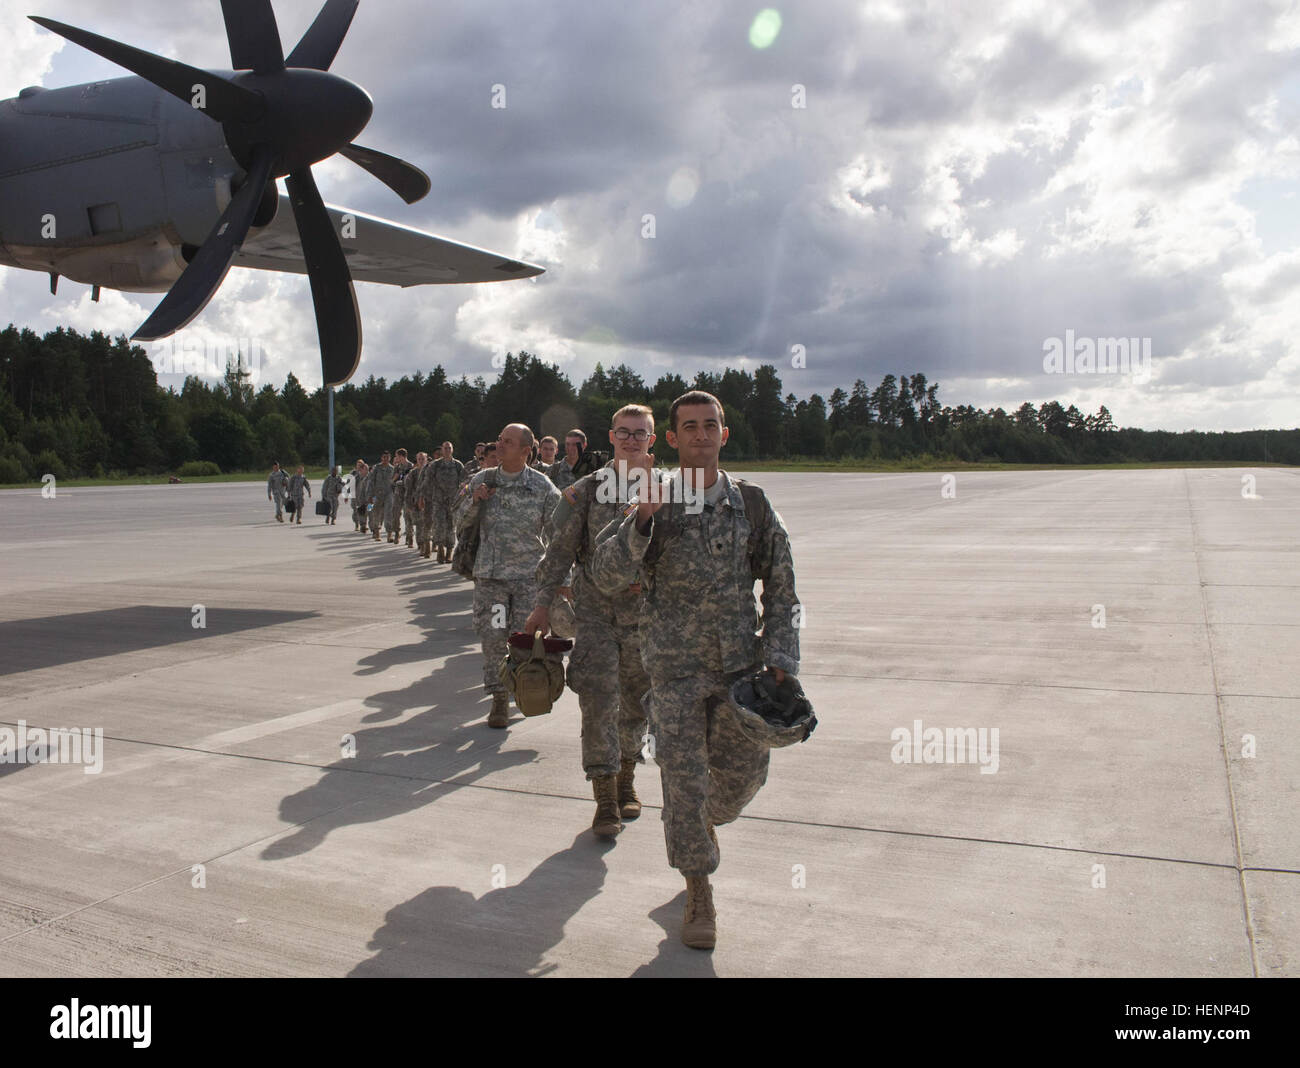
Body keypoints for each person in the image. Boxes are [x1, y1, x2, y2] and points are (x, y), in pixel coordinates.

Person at [590, 390, 800, 951]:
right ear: (674, 438)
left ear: (723, 435)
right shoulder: (652, 500)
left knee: (739, 781)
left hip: (739, 672)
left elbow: (781, 585)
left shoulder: (751, 504)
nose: (701, 435)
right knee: (684, 784)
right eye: (690, 427)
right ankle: (698, 889)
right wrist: (641, 523)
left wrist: (780, 656)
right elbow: (604, 573)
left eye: (711, 426)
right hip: (674, 673)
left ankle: (705, 827)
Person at [526, 405, 659, 839]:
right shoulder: (586, 490)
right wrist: (542, 603)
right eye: (625, 433)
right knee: (599, 701)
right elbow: (559, 551)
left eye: (641, 434)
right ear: (612, 437)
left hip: (646, 618)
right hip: (597, 612)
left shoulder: (670, 490)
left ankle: (626, 779)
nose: (632, 440)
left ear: (652, 440)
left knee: (636, 703)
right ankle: (604, 796)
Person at [455, 424, 560, 729]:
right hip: (492, 582)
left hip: (528, 581)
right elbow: (457, 521)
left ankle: (523, 689)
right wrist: (475, 501)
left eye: (508, 442)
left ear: (527, 451)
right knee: (494, 637)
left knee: (523, 641)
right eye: (499, 439)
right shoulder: (481, 480)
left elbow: (559, 537)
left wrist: (561, 581)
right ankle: (498, 698)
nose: (500, 445)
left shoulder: (542, 486)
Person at [422, 441, 465, 563]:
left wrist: (461, 498)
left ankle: (450, 550)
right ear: (442, 450)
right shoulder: (435, 465)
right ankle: (440, 548)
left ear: (452, 450)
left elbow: (463, 484)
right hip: (438, 501)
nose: (447, 450)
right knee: (439, 525)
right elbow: (427, 481)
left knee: (451, 526)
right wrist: (423, 497)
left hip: (453, 502)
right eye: (445, 448)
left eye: (449, 448)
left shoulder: (458, 465)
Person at [404, 452, 427, 548]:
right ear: (417, 460)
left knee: (429, 524)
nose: (421, 461)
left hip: (430, 502)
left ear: (426, 460)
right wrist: (409, 504)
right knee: (420, 524)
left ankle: (429, 544)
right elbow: (408, 490)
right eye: (419, 459)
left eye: (423, 459)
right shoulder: (413, 473)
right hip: (417, 502)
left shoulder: (431, 471)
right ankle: (421, 544)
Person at [368, 451, 393, 541]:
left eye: (387, 457)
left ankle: (389, 534)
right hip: (377, 494)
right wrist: (370, 495)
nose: (385, 459)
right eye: (384, 457)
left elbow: (394, 482)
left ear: (390, 458)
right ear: (381, 458)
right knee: (376, 513)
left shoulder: (392, 469)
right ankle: (377, 532)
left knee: (388, 513)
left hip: (388, 494)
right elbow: (371, 482)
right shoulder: (376, 468)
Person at [351, 460, 370, 532]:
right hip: (358, 497)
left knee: (370, 511)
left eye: (367, 469)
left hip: (369, 499)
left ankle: (369, 526)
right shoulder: (356, 476)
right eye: (365, 469)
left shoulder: (371, 477)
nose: (367, 471)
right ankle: (360, 525)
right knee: (359, 511)